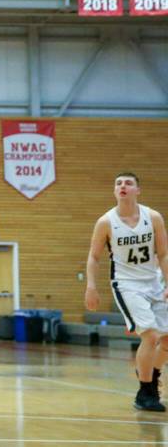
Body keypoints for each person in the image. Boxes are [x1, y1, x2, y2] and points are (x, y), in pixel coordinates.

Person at [85, 172, 168, 412]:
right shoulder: (106, 222)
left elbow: (163, 254)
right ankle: (145, 391)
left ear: (137, 190)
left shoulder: (152, 217)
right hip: (126, 284)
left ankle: (150, 374)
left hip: (154, 281)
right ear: (115, 191)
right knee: (150, 335)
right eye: (118, 183)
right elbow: (94, 256)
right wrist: (91, 286)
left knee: (166, 340)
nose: (123, 186)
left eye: (128, 183)